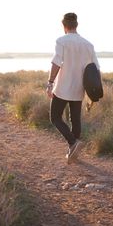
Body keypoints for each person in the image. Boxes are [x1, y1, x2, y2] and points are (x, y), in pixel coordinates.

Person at [46, 12, 100, 163]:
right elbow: (96, 69)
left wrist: (50, 83)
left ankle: (73, 143)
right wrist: (94, 93)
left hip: (62, 88)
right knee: (75, 120)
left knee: (55, 117)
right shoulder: (88, 45)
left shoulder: (61, 41)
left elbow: (56, 62)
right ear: (76, 25)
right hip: (79, 89)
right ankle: (73, 152)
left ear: (64, 26)